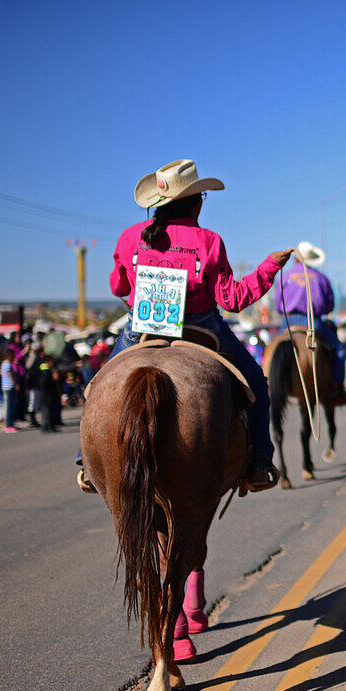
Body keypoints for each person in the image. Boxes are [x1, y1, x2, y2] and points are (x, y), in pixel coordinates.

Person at [90, 159, 291, 488]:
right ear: (196, 201)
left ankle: (87, 460)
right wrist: (269, 267)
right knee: (255, 381)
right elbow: (233, 300)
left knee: (99, 386)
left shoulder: (129, 238)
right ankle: (259, 460)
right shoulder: (209, 241)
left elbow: (119, 288)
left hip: (143, 328)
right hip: (201, 328)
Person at [275, 241, 346, 403]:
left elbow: (279, 305)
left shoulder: (285, 276)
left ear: (296, 259)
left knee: (270, 349)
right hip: (313, 322)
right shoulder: (321, 278)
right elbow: (329, 305)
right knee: (340, 348)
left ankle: (265, 383)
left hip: (288, 321)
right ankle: (336, 387)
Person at [0, 350, 19, 433]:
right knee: (9, 407)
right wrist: (15, 384)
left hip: (7, 387)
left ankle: (12, 423)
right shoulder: (7, 364)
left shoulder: (4, 364)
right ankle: (8, 425)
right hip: (9, 387)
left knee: (12, 406)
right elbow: (10, 374)